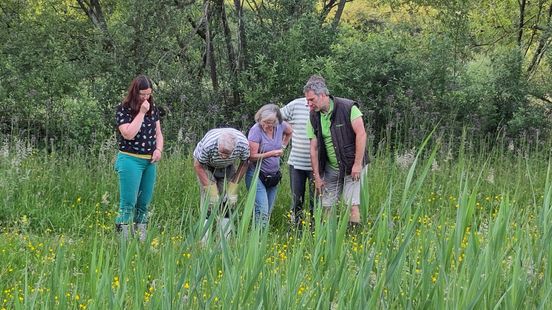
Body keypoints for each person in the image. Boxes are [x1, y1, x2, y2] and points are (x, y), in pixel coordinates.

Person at [304, 75, 368, 226]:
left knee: (351, 204)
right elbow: (313, 148)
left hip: (351, 164)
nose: (309, 104)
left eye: (311, 100)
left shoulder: (348, 107)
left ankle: (354, 238)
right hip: (331, 167)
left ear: (323, 95)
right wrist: (317, 177)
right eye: (307, 101)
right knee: (327, 206)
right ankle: (328, 239)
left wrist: (357, 165)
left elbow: (361, 134)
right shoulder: (313, 116)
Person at [114, 75, 164, 241]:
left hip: (149, 161)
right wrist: (141, 113)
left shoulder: (153, 109)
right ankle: (123, 241)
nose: (145, 98)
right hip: (130, 159)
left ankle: (141, 239)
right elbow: (128, 134)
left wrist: (158, 149)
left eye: (148, 94)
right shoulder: (123, 109)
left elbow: (158, 133)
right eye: (142, 94)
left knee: (143, 203)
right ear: (135, 92)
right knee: (128, 203)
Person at [193, 128, 250, 241]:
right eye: (221, 152)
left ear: (234, 148)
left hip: (227, 167)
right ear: (218, 145)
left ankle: (224, 240)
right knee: (210, 202)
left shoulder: (243, 145)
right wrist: (212, 192)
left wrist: (233, 187)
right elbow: (198, 166)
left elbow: (245, 163)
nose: (223, 156)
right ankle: (204, 241)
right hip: (206, 166)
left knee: (227, 202)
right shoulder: (209, 145)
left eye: (227, 154)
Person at [246, 104, 292, 229]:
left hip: (273, 176)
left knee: (268, 210)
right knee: (262, 210)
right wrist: (271, 154)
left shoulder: (281, 125)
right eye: (264, 122)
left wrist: (283, 146)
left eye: (270, 123)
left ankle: (262, 237)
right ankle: (258, 240)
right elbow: (251, 156)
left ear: (277, 121)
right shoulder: (256, 130)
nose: (266, 125)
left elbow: (290, 131)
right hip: (257, 174)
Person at [280, 97, 314, 230]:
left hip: (316, 165)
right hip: (296, 162)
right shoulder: (295, 105)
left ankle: (314, 230)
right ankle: (295, 229)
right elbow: (275, 116)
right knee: (296, 200)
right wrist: (286, 133)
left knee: (316, 201)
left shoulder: (323, 106)